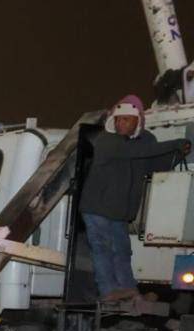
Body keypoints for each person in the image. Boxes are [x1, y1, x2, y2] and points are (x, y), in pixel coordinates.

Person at [78, 94, 189, 303]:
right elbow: (140, 151)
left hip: (118, 213)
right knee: (104, 250)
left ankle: (127, 291)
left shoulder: (138, 145)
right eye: (118, 119)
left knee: (122, 251)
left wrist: (177, 154)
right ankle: (109, 291)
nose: (120, 123)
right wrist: (175, 143)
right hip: (97, 209)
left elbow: (154, 164)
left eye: (126, 119)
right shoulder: (107, 141)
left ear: (138, 121)